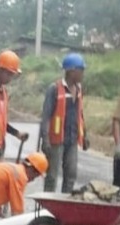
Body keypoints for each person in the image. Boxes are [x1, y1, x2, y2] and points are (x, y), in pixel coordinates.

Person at [40, 52, 89, 193]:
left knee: (71, 175)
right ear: (72, 71)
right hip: (56, 140)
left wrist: (84, 135)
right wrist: (45, 140)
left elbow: (80, 114)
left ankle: (64, 206)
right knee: (52, 176)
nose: (83, 73)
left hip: (72, 139)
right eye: (81, 70)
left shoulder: (79, 90)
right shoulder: (54, 89)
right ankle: (47, 209)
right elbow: (46, 116)